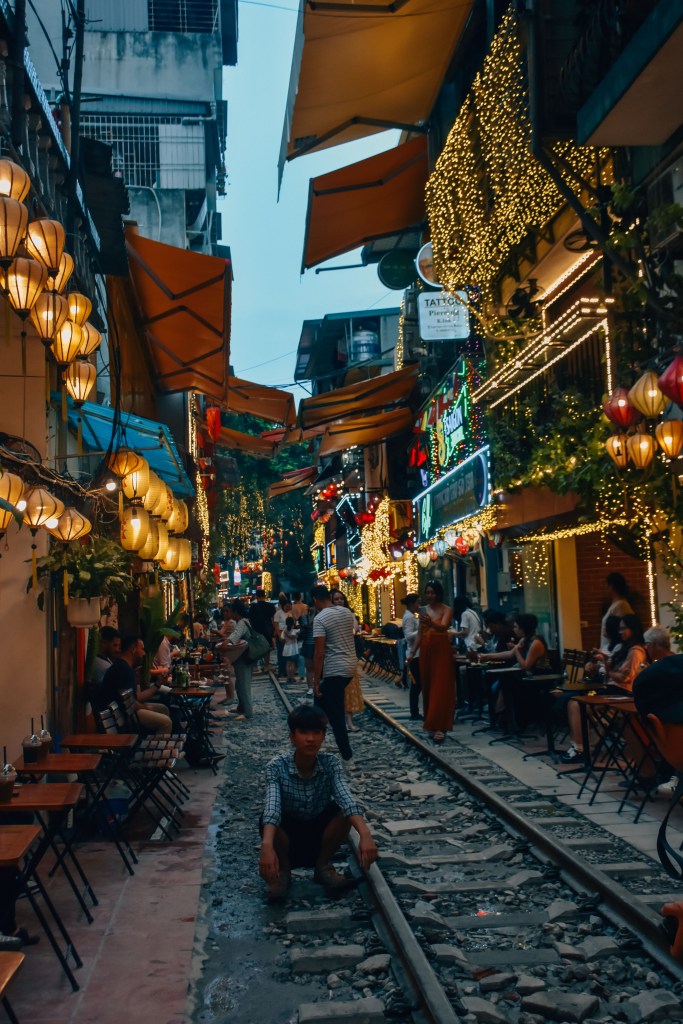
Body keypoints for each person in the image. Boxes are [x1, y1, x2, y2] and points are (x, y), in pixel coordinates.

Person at [259, 704, 378, 902]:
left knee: (343, 813)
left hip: (319, 838)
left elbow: (346, 798)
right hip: (288, 840)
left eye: (316, 732)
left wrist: (365, 834)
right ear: (292, 737)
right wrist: (266, 846)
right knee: (267, 819)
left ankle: (323, 866)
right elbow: (272, 807)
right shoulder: (277, 766)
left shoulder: (330, 763)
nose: (311, 739)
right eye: (304, 732)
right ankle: (283, 873)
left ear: (323, 736)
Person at [562, 614, 647, 764]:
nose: (620, 632)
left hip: (622, 694)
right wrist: (605, 662)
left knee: (576, 705)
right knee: (573, 702)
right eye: (619, 629)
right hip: (612, 689)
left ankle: (581, 749)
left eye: (623, 628)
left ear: (633, 629)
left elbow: (623, 678)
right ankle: (578, 746)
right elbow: (614, 673)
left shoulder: (636, 651)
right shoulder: (626, 648)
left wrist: (607, 668)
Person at [311, 584, 358, 768]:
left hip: (334, 670)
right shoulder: (346, 612)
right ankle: (313, 744)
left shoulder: (320, 618)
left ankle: (347, 757)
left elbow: (319, 653)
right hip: (350, 667)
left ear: (315, 600)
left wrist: (316, 681)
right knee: (320, 706)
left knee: (335, 714)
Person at [408, 581, 454, 744]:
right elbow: (420, 634)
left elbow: (444, 627)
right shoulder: (424, 610)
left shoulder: (446, 609)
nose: (430, 595)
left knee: (440, 687)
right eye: (427, 592)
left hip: (441, 650)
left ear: (439, 593)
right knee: (427, 686)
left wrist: (430, 623)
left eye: (433, 592)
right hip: (426, 650)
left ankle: (440, 725)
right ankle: (431, 723)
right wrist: (412, 652)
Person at [98, 635, 172, 735]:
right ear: (133, 649)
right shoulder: (122, 669)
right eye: (142, 649)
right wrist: (147, 708)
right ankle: (158, 744)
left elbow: (139, 697)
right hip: (124, 716)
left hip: (130, 711)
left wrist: (158, 683)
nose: (144, 653)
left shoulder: (128, 668)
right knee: (166, 723)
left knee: (163, 709)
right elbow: (130, 704)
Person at [330, 589, 364, 732]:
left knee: (349, 690)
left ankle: (349, 721)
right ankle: (339, 721)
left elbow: (355, 629)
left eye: (341, 599)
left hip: (349, 657)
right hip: (334, 658)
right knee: (337, 692)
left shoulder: (349, 614)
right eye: (336, 599)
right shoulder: (329, 615)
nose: (339, 601)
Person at [221, 600, 254, 720]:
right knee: (239, 683)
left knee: (244, 684)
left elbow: (234, 636)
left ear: (235, 612)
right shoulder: (243, 621)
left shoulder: (242, 623)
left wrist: (225, 642)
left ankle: (248, 712)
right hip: (241, 656)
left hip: (244, 657)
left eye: (231, 611)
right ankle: (241, 707)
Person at [600, 572, 634, 648]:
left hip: (614, 648)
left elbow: (622, 629)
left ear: (611, 587)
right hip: (608, 647)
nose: (605, 588)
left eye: (606, 585)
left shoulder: (621, 605)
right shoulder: (616, 604)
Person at [401, 594, 422, 720]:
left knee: (418, 684)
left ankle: (415, 711)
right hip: (414, 654)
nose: (419, 605)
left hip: (417, 652)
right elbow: (408, 635)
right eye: (417, 603)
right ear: (411, 604)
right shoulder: (409, 617)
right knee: (416, 684)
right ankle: (414, 712)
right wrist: (421, 631)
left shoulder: (412, 616)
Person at [248, 589, 276, 667]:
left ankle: (256, 667)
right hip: (267, 630)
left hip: (256, 630)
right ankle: (266, 665)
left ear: (256, 596)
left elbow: (250, 619)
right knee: (267, 648)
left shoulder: (253, 607)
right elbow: (273, 619)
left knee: (256, 648)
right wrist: (274, 630)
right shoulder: (270, 606)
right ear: (265, 596)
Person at [274, 600, 292, 679]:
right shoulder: (278, 613)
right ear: (283, 606)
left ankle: (286, 671)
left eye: (289, 606)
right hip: (281, 633)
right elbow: (276, 625)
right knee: (281, 653)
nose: (288, 608)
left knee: (287, 653)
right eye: (287, 606)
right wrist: (279, 636)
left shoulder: (290, 613)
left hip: (288, 634)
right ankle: (281, 671)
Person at [282, 616, 300, 682]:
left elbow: (282, 638)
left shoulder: (284, 630)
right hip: (292, 648)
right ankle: (292, 677)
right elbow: (294, 636)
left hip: (286, 647)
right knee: (292, 663)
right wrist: (297, 635)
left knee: (288, 663)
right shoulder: (293, 631)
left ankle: (288, 677)